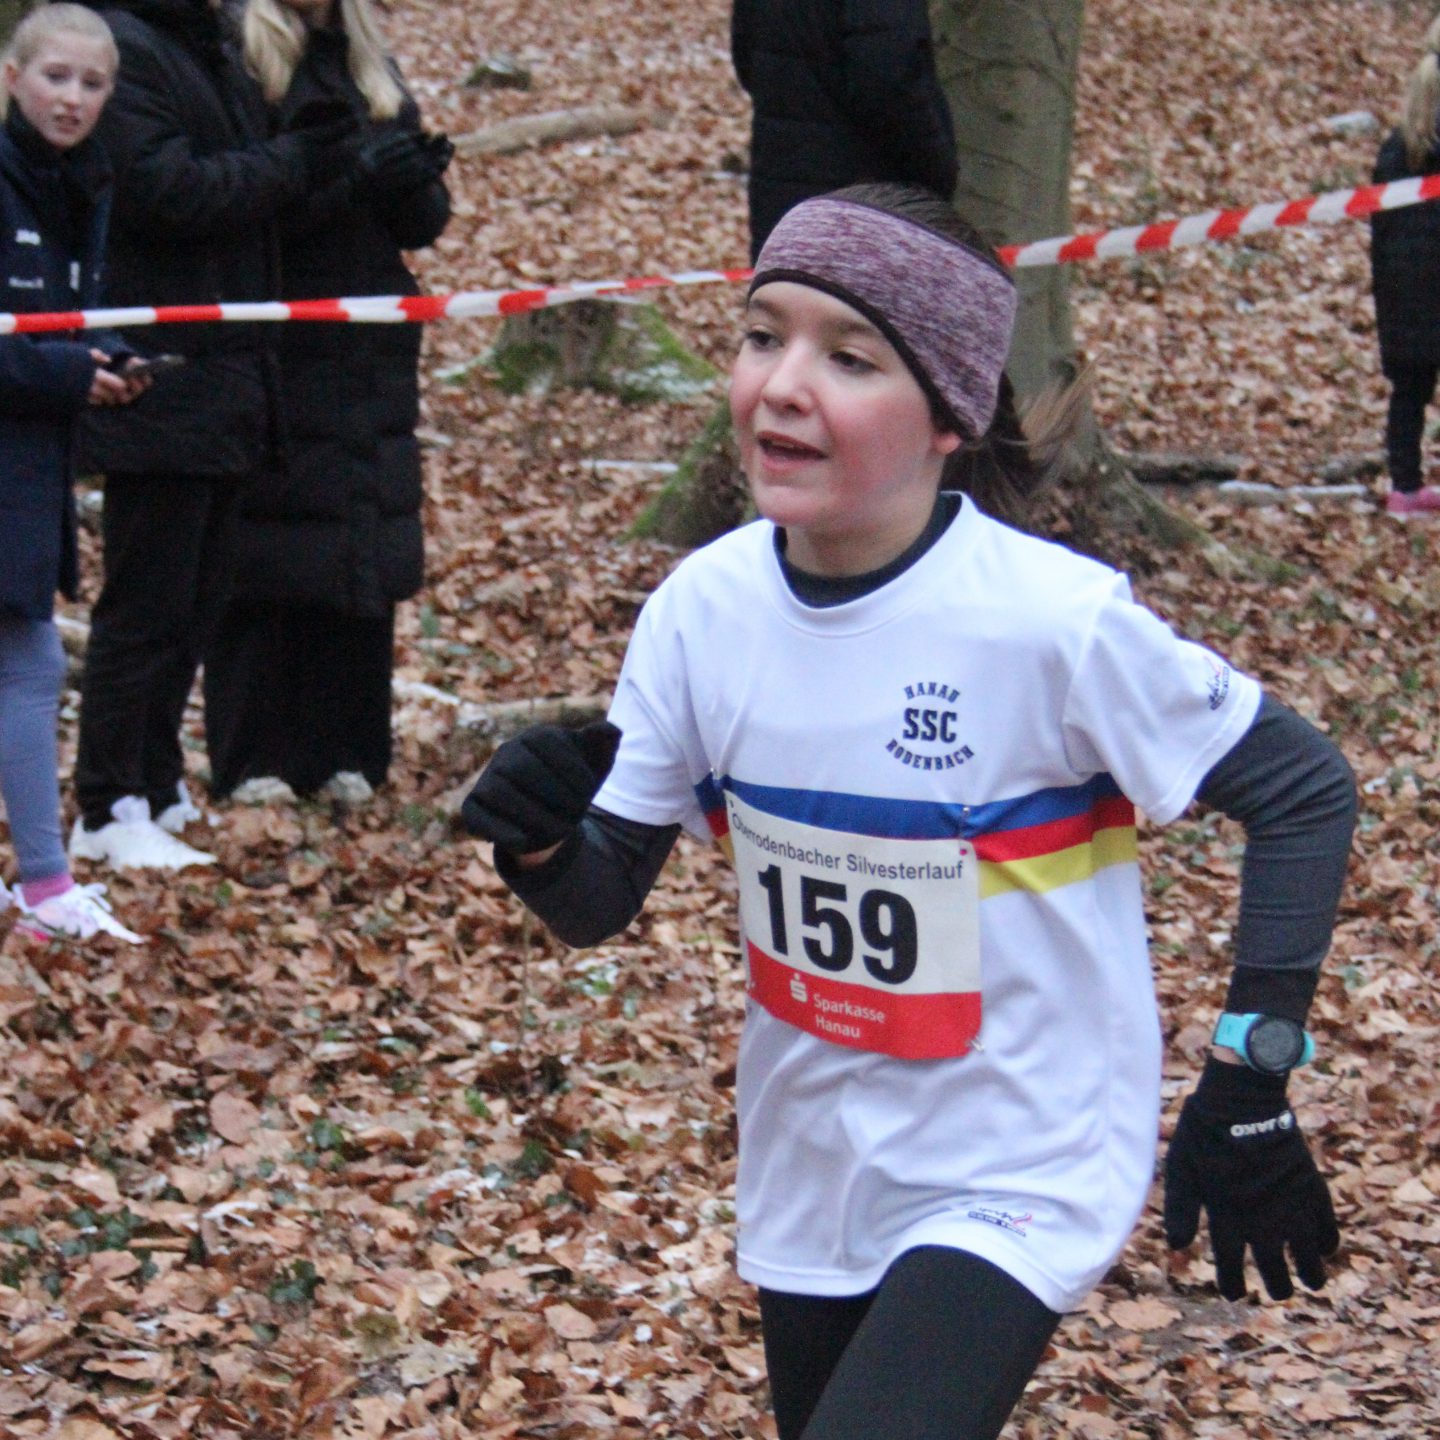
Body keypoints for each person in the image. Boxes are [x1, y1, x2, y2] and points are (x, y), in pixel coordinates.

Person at [460, 183, 1358, 1440]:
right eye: (763, 334)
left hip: (1021, 1157)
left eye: (849, 357)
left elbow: (1305, 789)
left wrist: (1254, 1068)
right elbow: (600, 896)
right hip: (815, 1157)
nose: (782, 385)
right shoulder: (700, 612)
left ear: (948, 414)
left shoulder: (1049, 619)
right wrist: (542, 837)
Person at [66, 0, 357, 868]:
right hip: (162, 375)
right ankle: (104, 800)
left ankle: (154, 783)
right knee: (145, 602)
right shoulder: (127, 48)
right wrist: (288, 161)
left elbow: (250, 172)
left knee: (195, 600)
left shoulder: (215, 47)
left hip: (231, 375)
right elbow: (167, 189)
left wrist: (317, 146)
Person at [201, 0, 452, 806]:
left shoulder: (368, 57)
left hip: (368, 343)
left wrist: (415, 183)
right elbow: (243, 206)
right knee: (267, 544)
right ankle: (256, 755)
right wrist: (352, 185)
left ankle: (351, 750)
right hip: (277, 330)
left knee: (359, 540)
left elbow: (421, 224)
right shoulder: (239, 55)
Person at [0, 4, 146, 942]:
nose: (72, 99)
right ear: (12, 75)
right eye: (56, 76)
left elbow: (63, 322)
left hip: (30, 465)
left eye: (93, 84)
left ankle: (44, 884)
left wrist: (111, 358)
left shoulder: (82, 183)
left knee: (30, 658)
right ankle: (46, 883)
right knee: (32, 662)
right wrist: (66, 372)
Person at [730, 0, 957, 260]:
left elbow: (748, 58)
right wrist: (936, 172)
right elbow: (889, 80)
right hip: (870, 209)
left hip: (783, 202)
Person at [1370, 13, 1440, 516]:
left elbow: (1379, 226)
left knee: (1409, 392)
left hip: (1401, 290)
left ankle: (1404, 487)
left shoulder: (1396, 149)